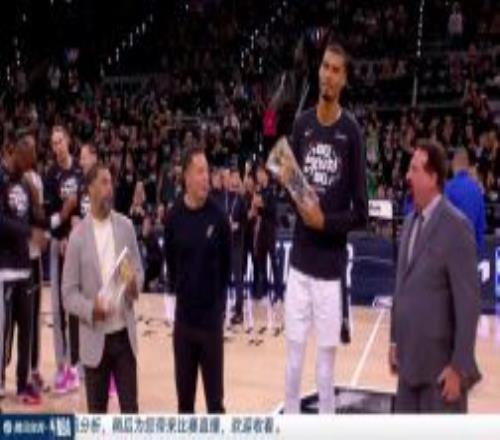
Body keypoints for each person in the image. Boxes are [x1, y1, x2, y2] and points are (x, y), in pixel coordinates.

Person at [283, 43, 368, 413]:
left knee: (324, 371)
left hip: (331, 271)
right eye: (325, 67)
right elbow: (289, 185)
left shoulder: (352, 132)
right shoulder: (301, 125)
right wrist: (301, 205)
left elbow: (361, 213)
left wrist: (324, 221)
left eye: (336, 70)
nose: (328, 75)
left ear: (344, 79)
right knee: (292, 364)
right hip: (300, 266)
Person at [390, 140, 481, 413]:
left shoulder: (457, 226)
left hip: (440, 374)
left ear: (432, 178)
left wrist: (459, 367)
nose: (407, 176)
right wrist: (394, 340)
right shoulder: (409, 222)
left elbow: (469, 305)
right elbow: (401, 286)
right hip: (408, 367)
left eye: (414, 169)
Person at [62, 163, 144, 413]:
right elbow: (68, 294)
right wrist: (90, 309)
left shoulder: (125, 227)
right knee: (97, 418)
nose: (110, 188)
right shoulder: (77, 237)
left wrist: (134, 285)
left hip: (124, 337)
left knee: (131, 414)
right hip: (94, 339)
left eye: (111, 182)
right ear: (90, 189)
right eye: (104, 182)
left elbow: (138, 271)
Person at [164, 146, 231, 413]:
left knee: (215, 405)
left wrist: (217, 304)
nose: (206, 178)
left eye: (207, 171)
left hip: (211, 325)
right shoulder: (173, 217)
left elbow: (227, 267)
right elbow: (171, 263)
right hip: (184, 325)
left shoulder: (219, 217)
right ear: (187, 177)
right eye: (200, 172)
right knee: (184, 406)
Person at [0, 133, 47, 404]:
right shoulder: (1, 178)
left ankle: (22, 384)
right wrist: (29, 232)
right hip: (4, 268)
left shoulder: (27, 183)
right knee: (3, 332)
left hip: (24, 266)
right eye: (28, 159)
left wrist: (38, 202)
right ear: (15, 152)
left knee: (26, 330)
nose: (30, 165)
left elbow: (36, 219)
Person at [45, 125, 82, 394]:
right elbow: (49, 217)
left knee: (78, 307)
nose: (57, 146)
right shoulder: (50, 175)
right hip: (58, 245)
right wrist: (64, 226)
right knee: (58, 308)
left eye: (60, 141)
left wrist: (73, 233)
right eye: (53, 143)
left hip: (79, 245)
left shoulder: (80, 170)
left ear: (68, 141)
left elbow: (84, 209)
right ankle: (61, 365)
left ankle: (77, 364)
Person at [445, 148, 486, 255]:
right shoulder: (477, 190)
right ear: (467, 165)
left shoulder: (448, 188)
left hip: (451, 253)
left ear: (454, 164)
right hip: (471, 252)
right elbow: (481, 225)